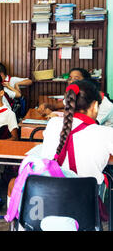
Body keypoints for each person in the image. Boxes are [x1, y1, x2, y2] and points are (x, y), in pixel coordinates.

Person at [39, 80, 113, 220]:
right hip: (86, 206)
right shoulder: (106, 133)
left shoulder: (53, 124)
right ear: (95, 106)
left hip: (50, 201)